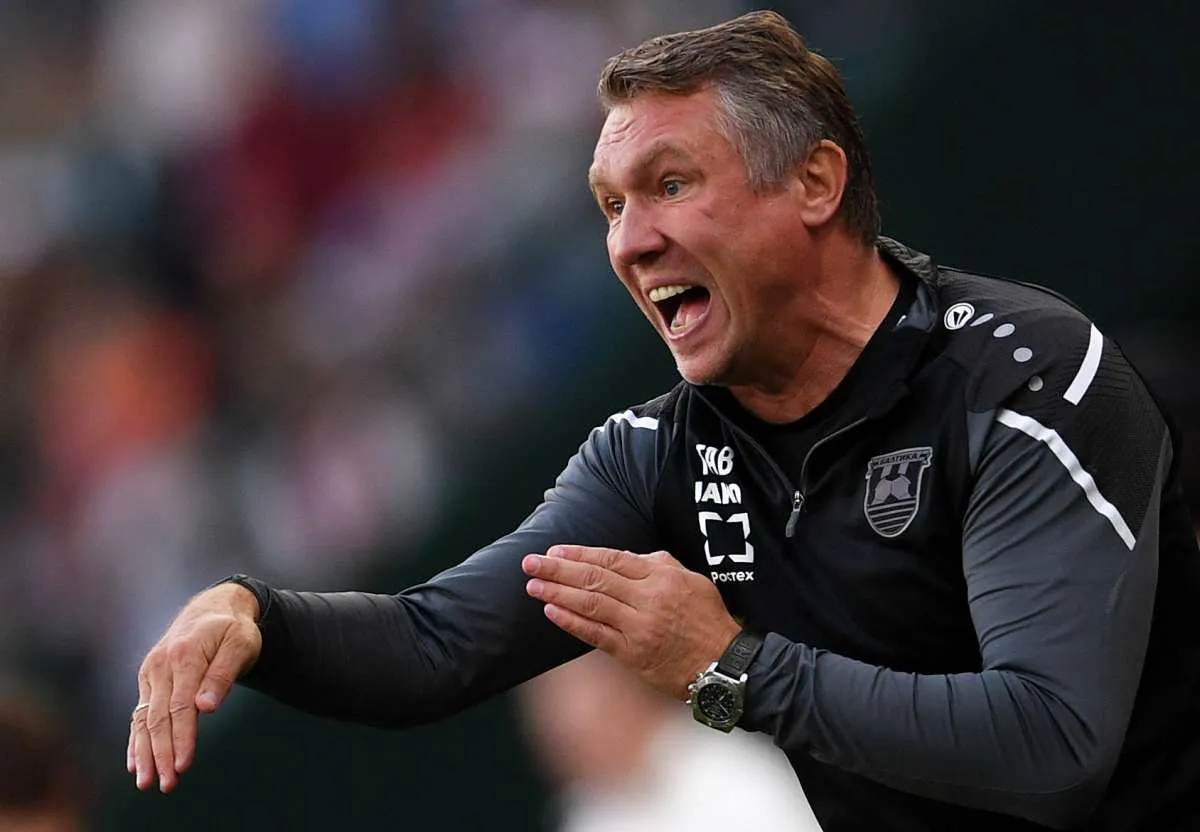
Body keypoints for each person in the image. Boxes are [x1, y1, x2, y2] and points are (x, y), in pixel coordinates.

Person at [128, 11, 1200, 830]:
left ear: (814, 181)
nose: (629, 242)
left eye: (670, 184)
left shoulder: (1020, 378)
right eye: (611, 204)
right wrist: (258, 616)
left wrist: (731, 665)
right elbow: (432, 644)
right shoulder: (655, 458)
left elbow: (1053, 744)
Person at [519, 650, 824, 831]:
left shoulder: (738, 780)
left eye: (570, 700)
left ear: (626, 689)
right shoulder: (586, 809)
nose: (554, 728)